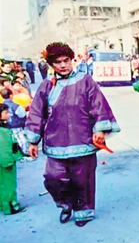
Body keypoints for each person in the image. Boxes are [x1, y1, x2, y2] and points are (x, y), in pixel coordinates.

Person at [25, 42, 120, 227]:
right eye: (57, 62)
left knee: (82, 180)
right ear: (51, 64)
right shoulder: (46, 86)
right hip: (55, 142)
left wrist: (99, 129)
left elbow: (98, 106)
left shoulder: (85, 81)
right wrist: (33, 141)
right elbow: (36, 113)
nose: (62, 65)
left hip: (83, 140)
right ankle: (66, 203)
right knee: (53, 178)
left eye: (66, 60)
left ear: (71, 60)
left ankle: (83, 212)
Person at [0, 104, 26, 215]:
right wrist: (8, 161)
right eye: (6, 113)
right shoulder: (3, 131)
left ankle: (3, 204)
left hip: (3, 160)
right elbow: (5, 147)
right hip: (6, 161)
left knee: (2, 183)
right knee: (9, 183)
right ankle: (11, 205)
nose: (8, 114)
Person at [0, 89, 29, 156]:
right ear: (11, 95)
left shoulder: (2, 105)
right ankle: (24, 153)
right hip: (17, 127)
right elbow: (22, 115)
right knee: (22, 141)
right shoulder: (15, 106)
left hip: (7, 128)